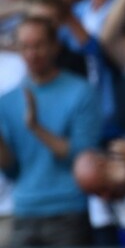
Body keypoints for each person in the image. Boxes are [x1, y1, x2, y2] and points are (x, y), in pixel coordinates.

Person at [0, 16, 101, 246]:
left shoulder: (80, 92)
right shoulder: (7, 101)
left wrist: (36, 128)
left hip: (68, 211)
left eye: (39, 45)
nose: (32, 53)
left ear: (55, 46)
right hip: (24, 210)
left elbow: (83, 156)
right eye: (25, 46)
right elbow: (11, 169)